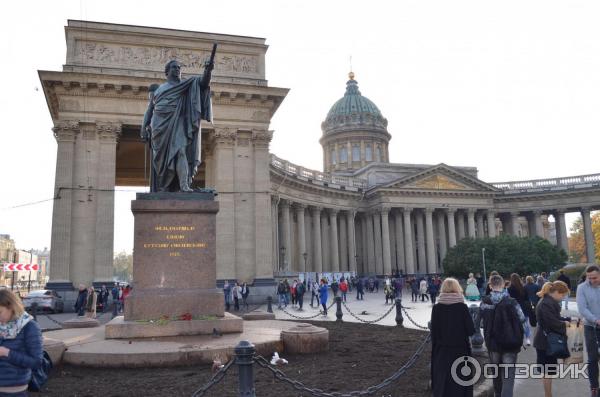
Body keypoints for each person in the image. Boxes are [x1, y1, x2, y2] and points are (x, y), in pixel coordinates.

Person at [480, 274, 526, 397]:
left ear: (490, 286)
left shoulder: (484, 302)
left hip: (493, 343)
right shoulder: (511, 302)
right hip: (510, 343)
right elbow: (522, 319)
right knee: (508, 377)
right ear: (503, 285)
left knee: (496, 375)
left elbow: (480, 322)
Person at [431, 278, 476, 397]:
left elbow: (434, 332)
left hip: (442, 350)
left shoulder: (437, 308)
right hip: (460, 349)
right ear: (457, 289)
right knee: (461, 380)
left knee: (443, 381)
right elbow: (471, 330)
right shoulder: (462, 307)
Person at [0, 289, 43, 397]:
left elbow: (36, 362)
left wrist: (7, 353)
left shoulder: (29, 327)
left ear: (11, 306)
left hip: (14, 391)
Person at [534, 281, 572, 397]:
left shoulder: (547, 302)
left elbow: (553, 318)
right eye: (562, 295)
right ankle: (548, 395)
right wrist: (564, 323)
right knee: (547, 372)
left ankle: (548, 394)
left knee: (548, 371)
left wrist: (567, 319)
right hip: (545, 342)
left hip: (545, 341)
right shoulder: (547, 303)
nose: (563, 297)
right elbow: (552, 322)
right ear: (556, 292)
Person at [576, 265, 600, 397]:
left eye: (595, 278)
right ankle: (594, 388)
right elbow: (582, 308)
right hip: (591, 327)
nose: (592, 280)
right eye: (589, 278)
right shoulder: (582, 288)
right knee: (592, 358)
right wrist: (595, 320)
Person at [507, 273, 532, 346]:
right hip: (524, 307)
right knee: (526, 324)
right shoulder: (523, 287)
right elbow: (527, 299)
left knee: (514, 324)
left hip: (514, 307)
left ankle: (517, 338)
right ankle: (527, 339)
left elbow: (508, 299)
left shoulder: (509, 289)